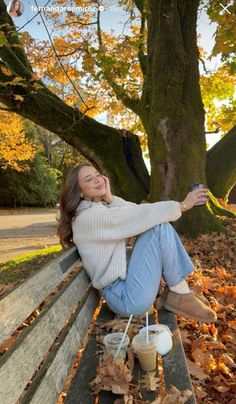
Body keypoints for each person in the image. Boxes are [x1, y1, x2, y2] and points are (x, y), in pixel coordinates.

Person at [58, 163, 217, 323]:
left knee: (156, 224)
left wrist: (110, 198)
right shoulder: (91, 216)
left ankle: (180, 292)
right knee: (158, 226)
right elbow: (138, 214)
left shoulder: (93, 211)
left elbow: (132, 213)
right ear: (79, 191)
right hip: (126, 298)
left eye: (97, 174)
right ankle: (180, 292)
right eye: (89, 179)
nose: (97, 180)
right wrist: (182, 205)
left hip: (125, 288)